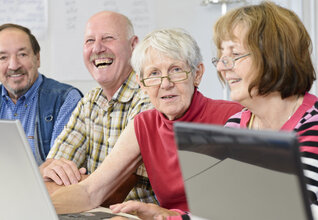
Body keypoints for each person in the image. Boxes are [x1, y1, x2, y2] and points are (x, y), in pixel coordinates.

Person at [48, 28, 243, 219]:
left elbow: (242, 207)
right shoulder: (144, 124)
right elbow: (91, 191)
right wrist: (33, 210)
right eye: (154, 74)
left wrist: (171, 216)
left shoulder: (233, 116)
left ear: (197, 74)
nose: (165, 83)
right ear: (141, 83)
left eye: (176, 70)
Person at [0, 23, 83, 203]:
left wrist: (3, 183)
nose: (14, 65)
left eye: (22, 54)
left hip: (38, 205)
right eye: (3, 57)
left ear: (37, 58)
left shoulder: (66, 100)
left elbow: (59, 170)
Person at [39, 11, 157, 204]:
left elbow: (114, 193)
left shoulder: (149, 98)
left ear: (133, 45)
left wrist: (73, 184)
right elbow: (50, 172)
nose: (98, 48)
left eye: (108, 38)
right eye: (89, 41)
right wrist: (50, 173)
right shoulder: (90, 101)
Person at [212, 1, 318, 204]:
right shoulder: (234, 126)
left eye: (234, 54)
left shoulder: (313, 127)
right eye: (221, 55)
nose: (221, 66)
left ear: (273, 56)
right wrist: (166, 217)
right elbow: (218, 207)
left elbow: (290, 212)